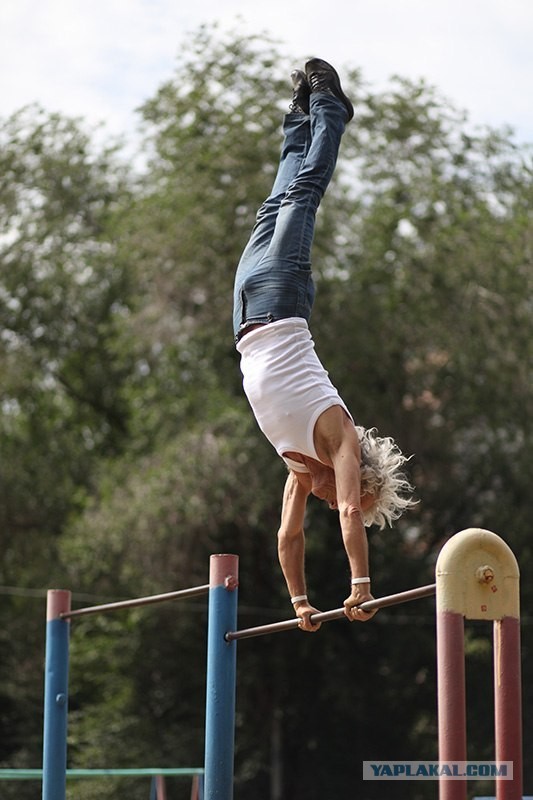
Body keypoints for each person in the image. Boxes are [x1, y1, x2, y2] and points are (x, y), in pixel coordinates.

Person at [233, 58, 414, 632]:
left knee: (273, 204)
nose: (329, 501)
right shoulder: (340, 440)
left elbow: (288, 537)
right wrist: (361, 586)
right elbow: (351, 516)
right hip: (282, 302)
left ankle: (299, 115)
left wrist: (300, 601)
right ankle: (331, 110)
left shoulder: (297, 470)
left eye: (334, 501)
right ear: (356, 480)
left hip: (244, 317)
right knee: (302, 198)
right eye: (339, 498)